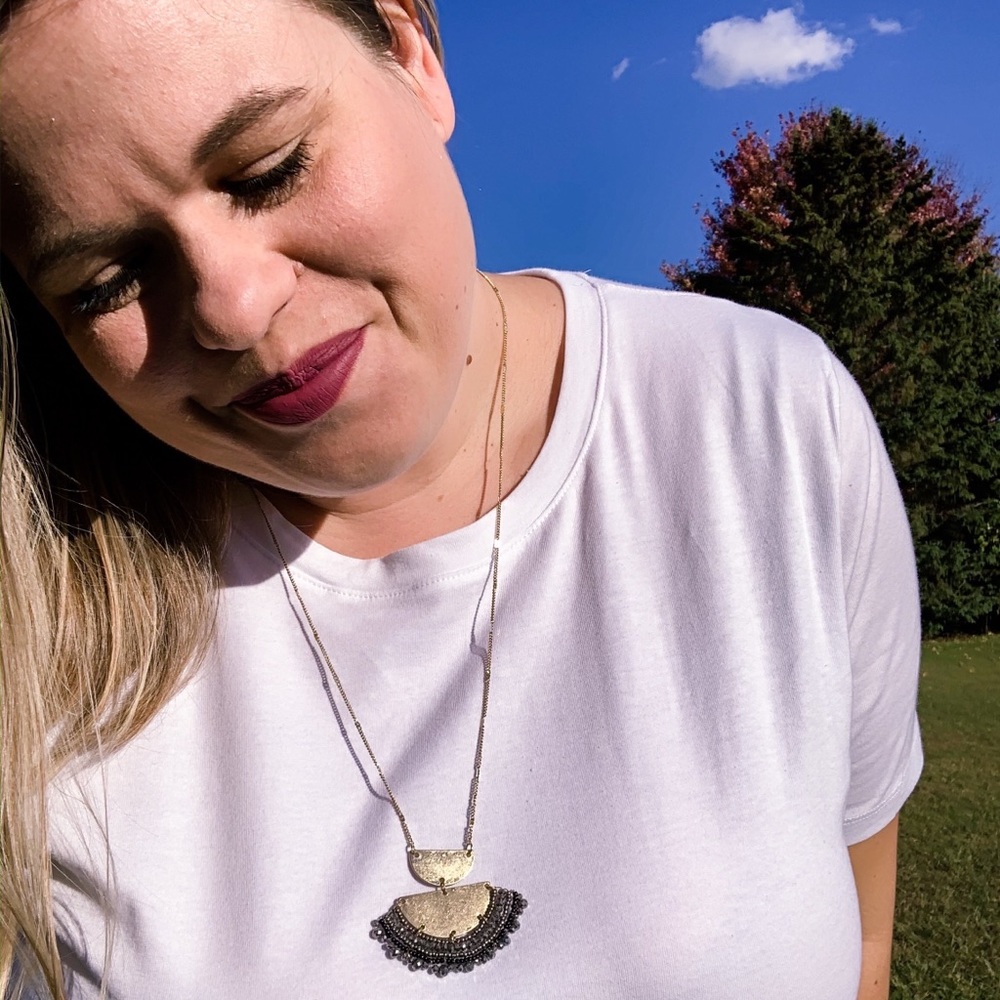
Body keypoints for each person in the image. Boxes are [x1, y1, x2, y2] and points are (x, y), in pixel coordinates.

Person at [0, 1, 923, 998]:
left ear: (411, 52)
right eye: (103, 280)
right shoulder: (34, 596)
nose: (230, 305)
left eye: (268, 169)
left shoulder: (763, 416)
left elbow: (861, 947)